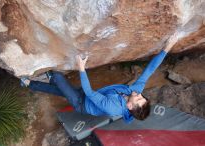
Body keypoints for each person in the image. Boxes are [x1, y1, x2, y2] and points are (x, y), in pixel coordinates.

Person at [21, 32, 180, 123]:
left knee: (57, 76)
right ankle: (29, 84)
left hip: (81, 102)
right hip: (89, 96)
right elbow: (151, 69)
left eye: (138, 99)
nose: (139, 94)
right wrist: (168, 46)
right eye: (142, 97)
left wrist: (81, 68)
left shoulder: (114, 108)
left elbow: (90, 93)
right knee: (58, 90)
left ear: (130, 107)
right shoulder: (134, 90)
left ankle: (45, 76)